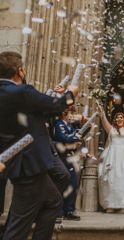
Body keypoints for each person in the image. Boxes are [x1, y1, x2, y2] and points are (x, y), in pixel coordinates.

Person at [0, 51, 78, 240]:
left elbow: (34, 109)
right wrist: (71, 93)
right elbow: (58, 105)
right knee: (17, 228)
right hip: (29, 164)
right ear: (20, 71)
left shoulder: (13, 94)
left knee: (53, 202)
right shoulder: (23, 92)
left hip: (19, 163)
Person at [53, 109, 82, 220]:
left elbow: (75, 135)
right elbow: (63, 137)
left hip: (70, 157)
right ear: (63, 114)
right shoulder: (59, 124)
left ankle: (69, 210)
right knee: (62, 184)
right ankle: (58, 212)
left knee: (73, 184)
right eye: (70, 114)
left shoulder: (71, 126)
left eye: (73, 114)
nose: (72, 116)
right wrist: (75, 139)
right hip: (61, 158)